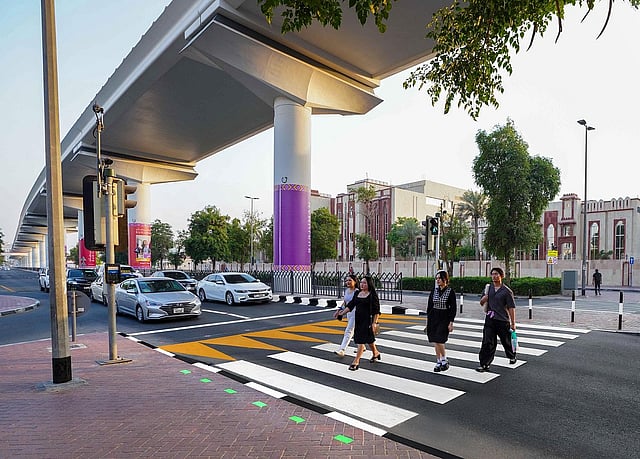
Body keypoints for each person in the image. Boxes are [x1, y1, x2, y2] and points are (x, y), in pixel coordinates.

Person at [477, 267, 517, 372]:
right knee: (487, 342)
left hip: (502, 320)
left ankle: (512, 355)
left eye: (496, 274)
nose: (494, 276)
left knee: (506, 341)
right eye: (493, 274)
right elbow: (481, 303)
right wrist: (484, 299)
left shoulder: (506, 291)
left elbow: (511, 307)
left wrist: (513, 323)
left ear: (501, 276)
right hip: (490, 319)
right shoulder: (488, 288)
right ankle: (484, 363)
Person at [337, 276, 381, 371]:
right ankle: (376, 353)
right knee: (369, 339)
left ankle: (356, 361)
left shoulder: (372, 295)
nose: (362, 284)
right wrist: (342, 313)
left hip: (368, 321)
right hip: (358, 320)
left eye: (364, 283)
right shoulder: (357, 293)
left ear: (369, 284)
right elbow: (351, 305)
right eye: (361, 282)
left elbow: (376, 311)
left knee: (360, 341)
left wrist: (374, 323)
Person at [426, 270, 457, 372]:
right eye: (437, 278)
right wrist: (428, 320)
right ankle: (438, 361)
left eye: (440, 278)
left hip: (444, 317)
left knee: (440, 339)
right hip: (434, 317)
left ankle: (444, 359)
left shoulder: (450, 292)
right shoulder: (434, 291)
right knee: (435, 340)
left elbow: (453, 308)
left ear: (445, 279)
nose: (438, 280)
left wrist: (451, 322)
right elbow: (430, 306)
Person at [333, 274, 359, 357]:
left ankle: (342, 349)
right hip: (348, 313)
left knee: (349, 331)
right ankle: (361, 346)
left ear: (355, 281)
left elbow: (353, 303)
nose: (347, 282)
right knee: (356, 330)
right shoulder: (347, 291)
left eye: (350, 280)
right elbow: (345, 302)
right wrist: (339, 310)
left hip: (356, 312)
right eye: (346, 280)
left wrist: (343, 312)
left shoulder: (357, 292)